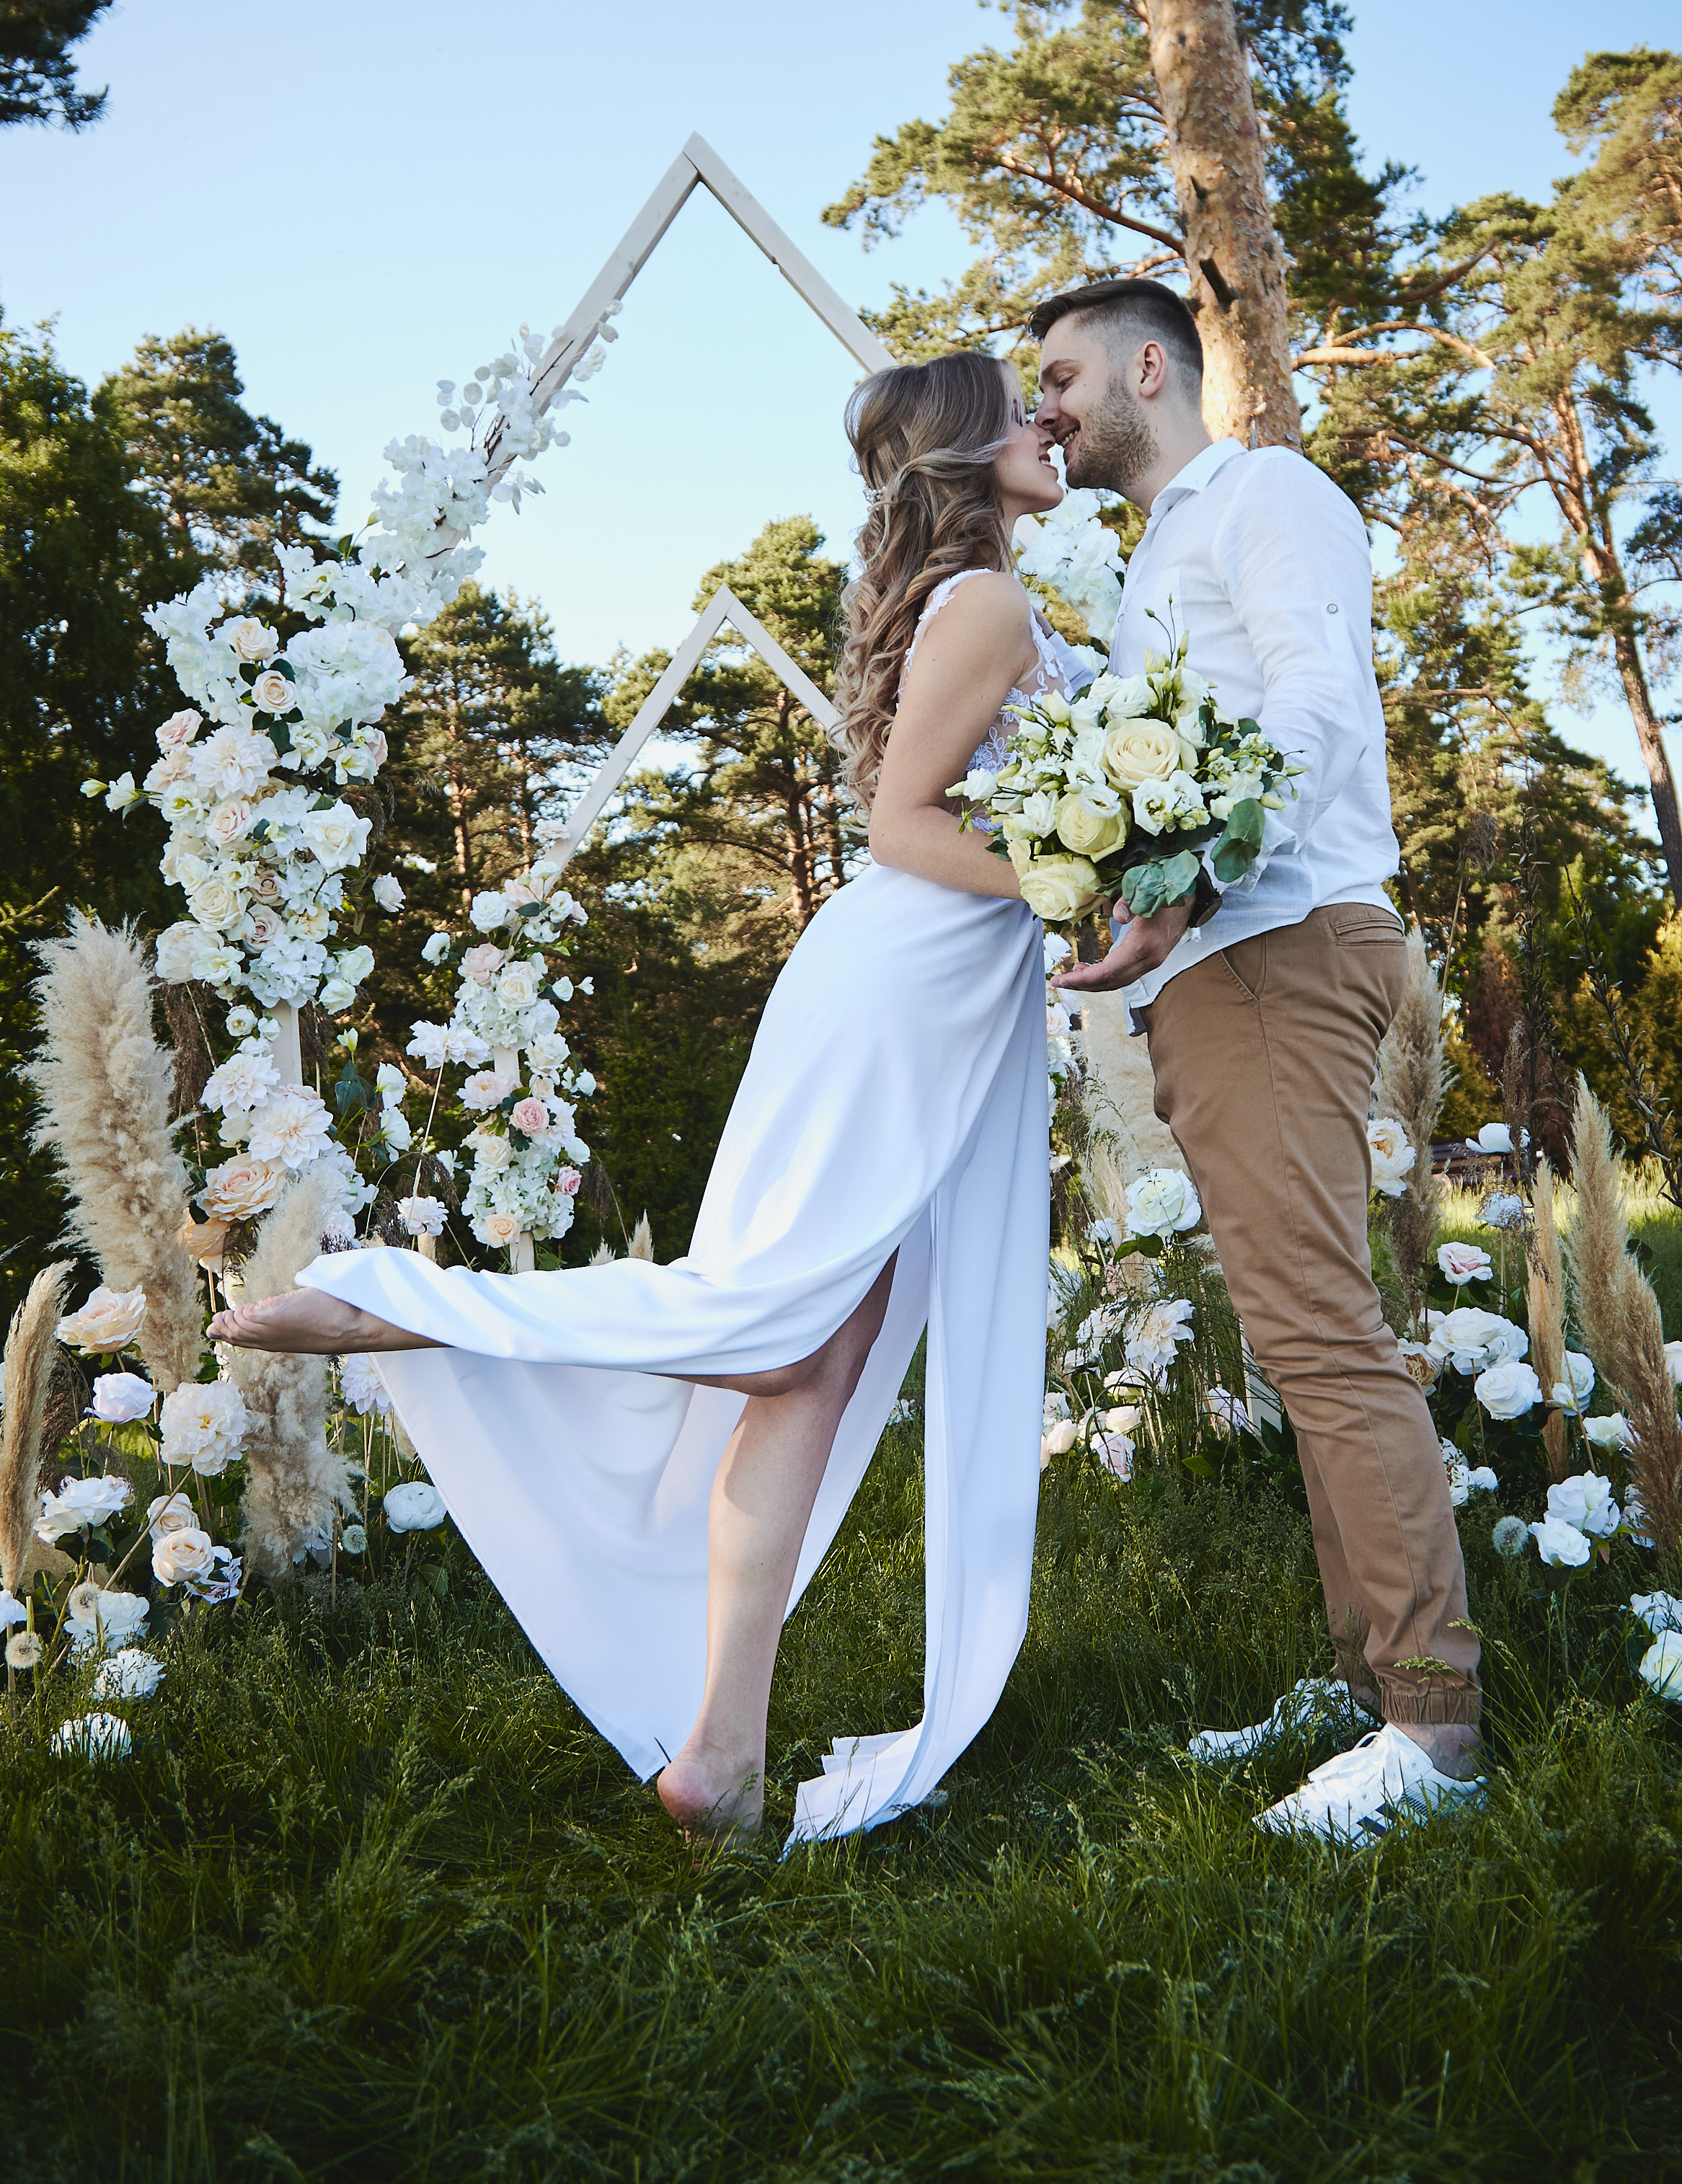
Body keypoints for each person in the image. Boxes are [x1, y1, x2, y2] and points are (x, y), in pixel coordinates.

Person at [210, 351, 1071, 1848]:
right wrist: (1075, 880)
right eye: (1018, 411)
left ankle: (721, 1755)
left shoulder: (969, 599)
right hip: (900, 991)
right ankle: (405, 1304)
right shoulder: (986, 602)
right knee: (771, 1317)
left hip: (920, 991)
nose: (1046, 425)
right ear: (960, 456)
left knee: (810, 1352)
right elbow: (899, 823)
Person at [1032, 276, 1482, 1841]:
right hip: (1220, 967)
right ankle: (1371, 1679)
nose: (1048, 406)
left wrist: (1187, 883)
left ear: (1149, 367)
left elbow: (1317, 704)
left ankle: (1434, 1735)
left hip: (1282, 943)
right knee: (1297, 1338)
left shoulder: (1268, 494)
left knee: (1324, 1333)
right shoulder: (1152, 555)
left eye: (1063, 374)